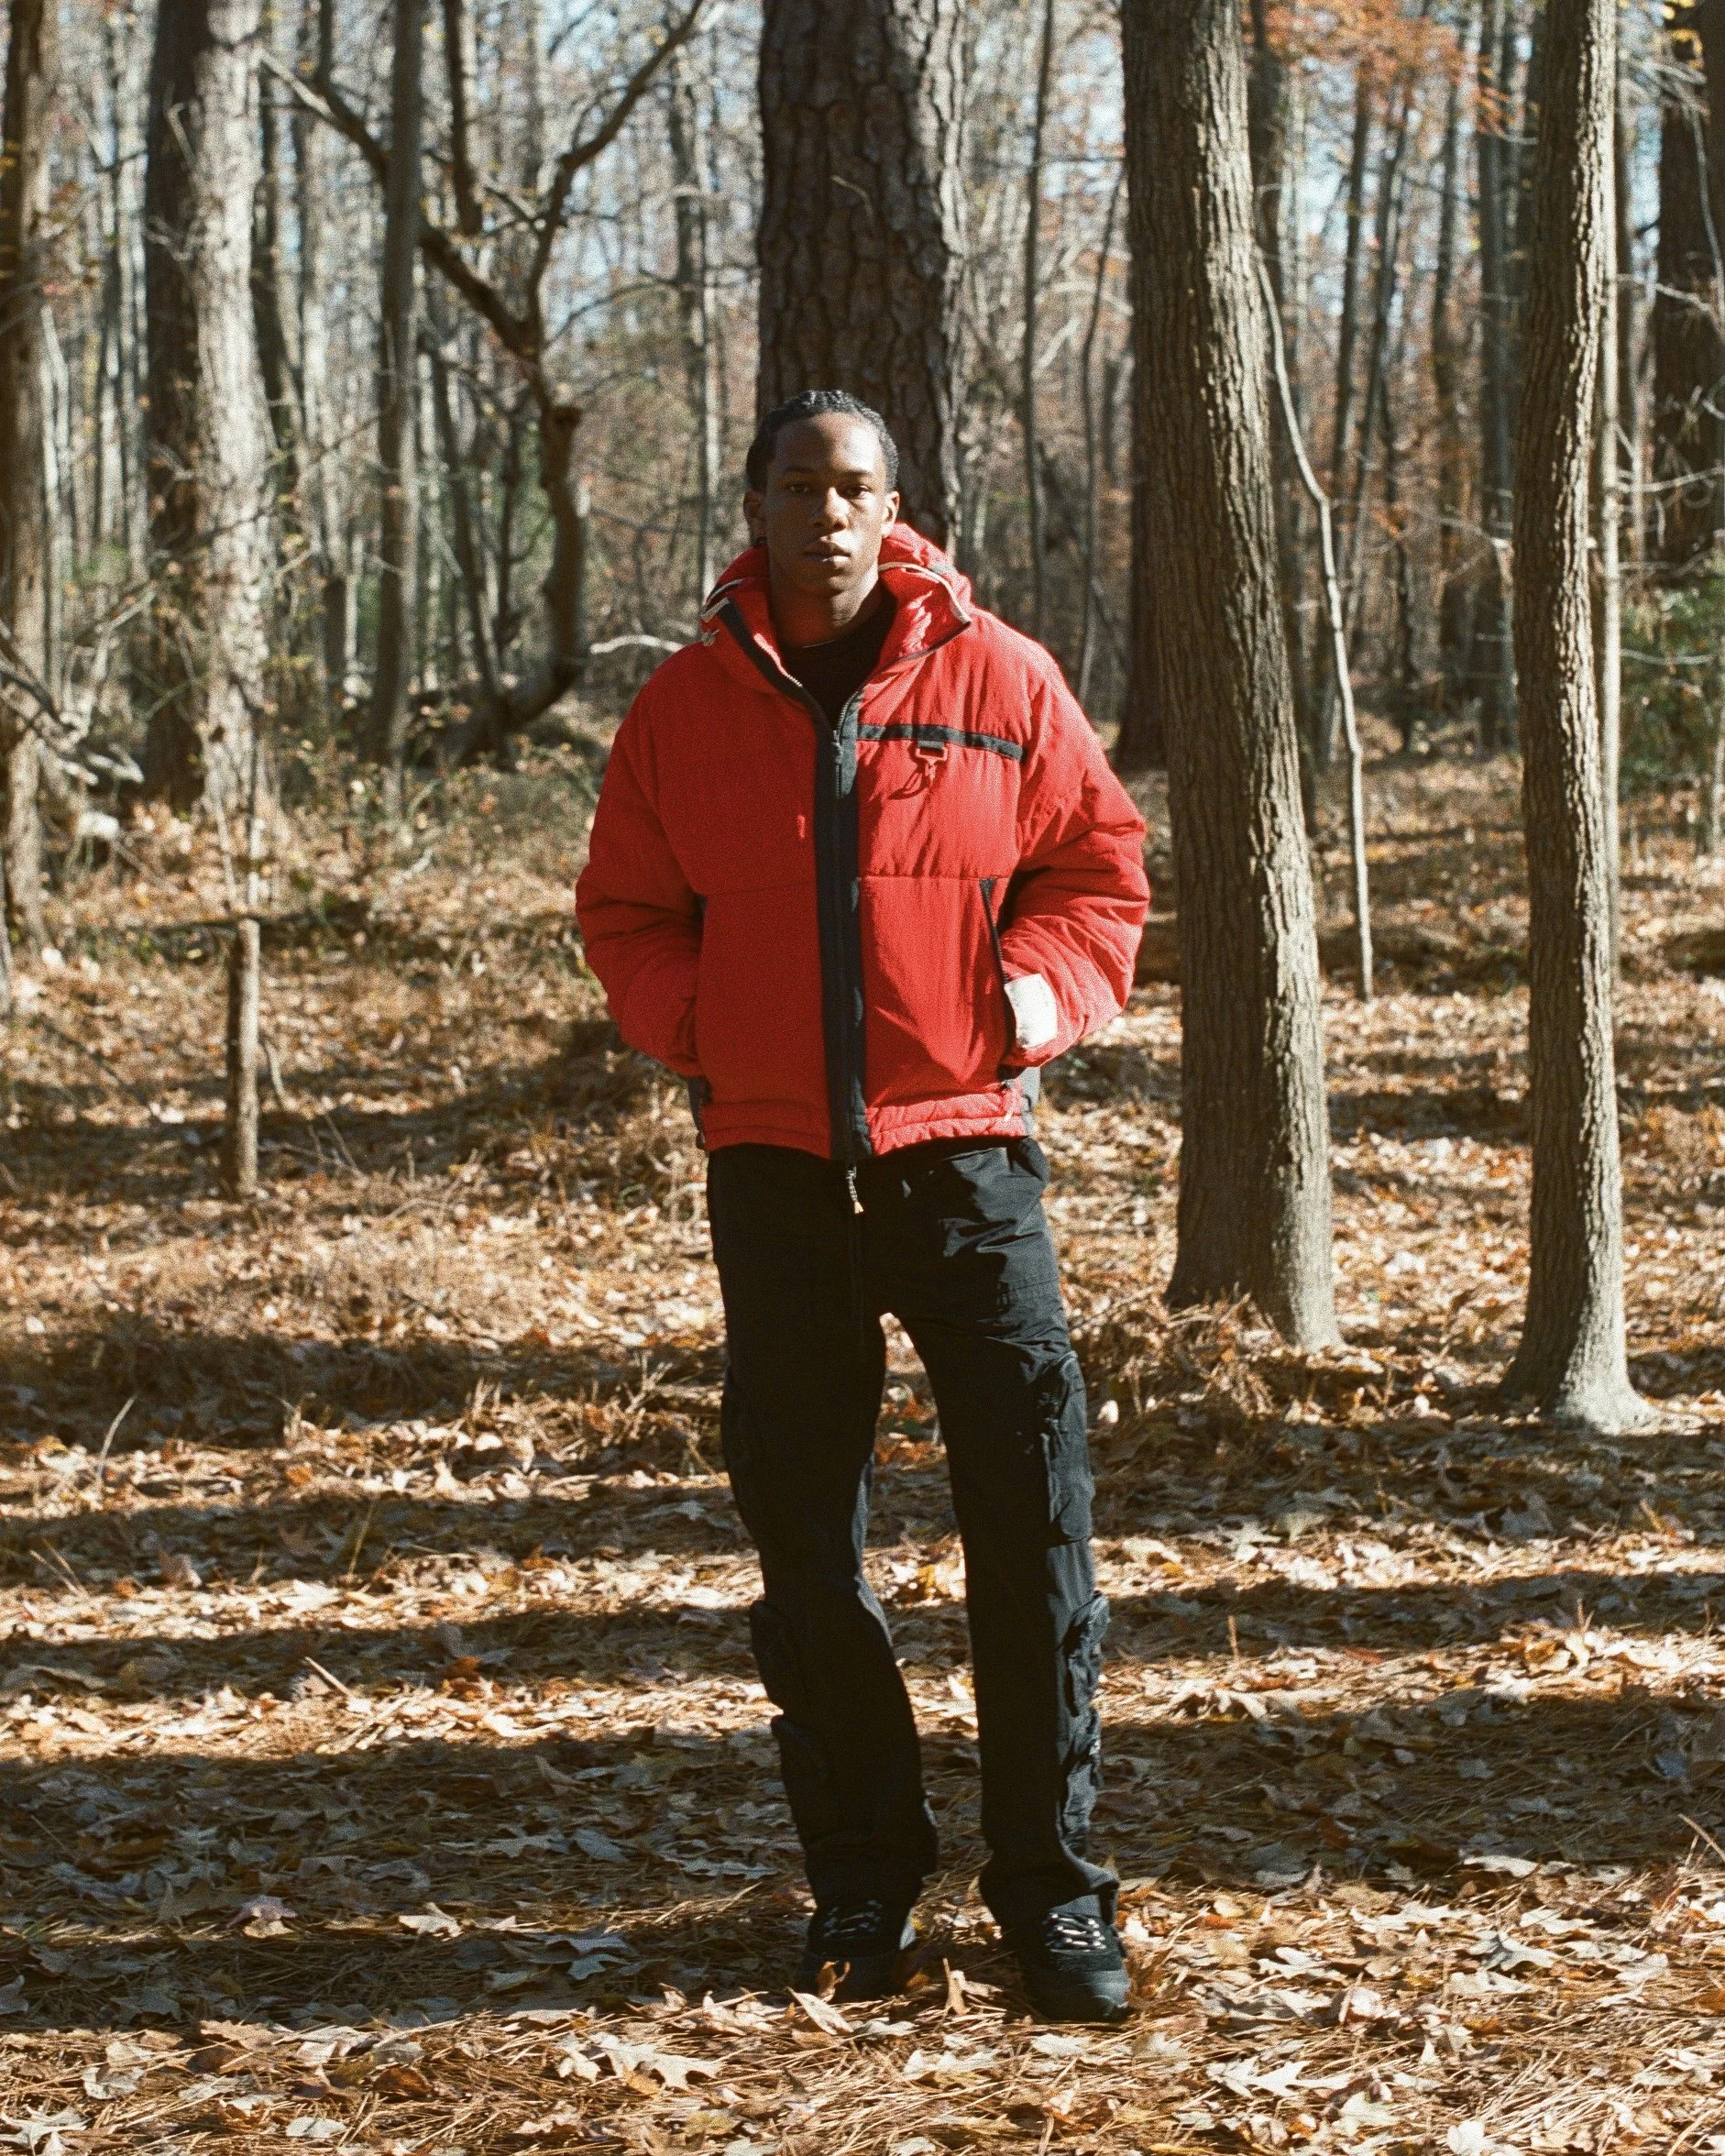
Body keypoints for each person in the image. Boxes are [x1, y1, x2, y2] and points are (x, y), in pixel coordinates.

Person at [576, 390, 1149, 2023]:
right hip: (771, 1176)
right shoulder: (685, 708)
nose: (827, 514)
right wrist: (706, 1030)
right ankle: (863, 1885)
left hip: (963, 1166)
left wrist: (1026, 1008)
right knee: (807, 1553)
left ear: (895, 507)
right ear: (753, 504)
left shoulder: (998, 677)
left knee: (1030, 1530)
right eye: (798, 486)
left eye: (856, 488)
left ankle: (1053, 1896)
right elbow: (623, 910)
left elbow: (1098, 870)